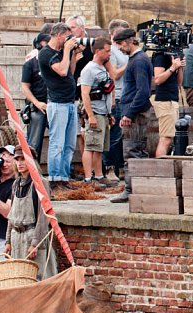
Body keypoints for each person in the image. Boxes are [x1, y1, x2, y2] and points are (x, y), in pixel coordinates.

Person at [39, 22, 85, 192]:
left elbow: (71, 72)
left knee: (69, 144)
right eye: (66, 37)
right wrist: (66, 50)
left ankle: (64, 177)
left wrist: (73, 53)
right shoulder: (46, 54)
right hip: (57, 104)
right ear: (58, 35)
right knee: (57, 143)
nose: (68, 40)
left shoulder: (62, 53)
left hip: (70, 102)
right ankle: (54, 179)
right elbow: (62, 71)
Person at [110, 29, 154, 204]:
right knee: (136, 152)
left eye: (120, 44)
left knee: (132, 152)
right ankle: (137, 189)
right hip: (135, 112)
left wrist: (129, 113)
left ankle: (131, 190)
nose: (119, 48)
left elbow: (143, 91)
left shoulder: (139, 61)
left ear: (129, 41)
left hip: (135, 114)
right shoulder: (138, 60)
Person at [4, 150, 55, 280]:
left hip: (31, 235)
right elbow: (12, 214)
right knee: (19, 278)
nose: (20, 163)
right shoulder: (16, 184)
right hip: (17, 238)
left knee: (37, 278)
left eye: (23, 159)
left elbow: (43, 216)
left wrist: (35, 243)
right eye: (17, 159)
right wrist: (8, 240)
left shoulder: (40, 182)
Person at [78, 37, 114, 185]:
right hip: (95, 113)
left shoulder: (102, 68)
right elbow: (84, 93)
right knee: (90, 146)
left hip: (103, 113)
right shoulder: (89, 69)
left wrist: (109, 114)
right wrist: (91, 116)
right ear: (98, 51)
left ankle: (99, 176)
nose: (109, 54)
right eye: (107, 51)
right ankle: (88, 177)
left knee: (99, 147)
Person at [103, 19, 131, 180]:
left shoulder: (124, 51)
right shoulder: (111, 52)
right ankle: (110, 168)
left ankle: (120, 167)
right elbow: (113, 74)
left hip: (126, 95)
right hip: (116, 95)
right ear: (113, 33)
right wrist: (130, 64)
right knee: (114, 134)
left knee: (123, 135)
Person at [21, 27, 52, 160]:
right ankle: (32, 174)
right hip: (37, 108)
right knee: (34, 144)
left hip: (53, 105)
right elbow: (25, 86)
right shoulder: (30, 64)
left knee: (58, 142)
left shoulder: (54, 61)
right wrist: (36, 103)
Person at [150, 43, 185, 158]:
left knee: (168, 138)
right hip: (165, 100)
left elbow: (179, 83)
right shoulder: (161, 56)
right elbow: (158, 79)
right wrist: (173, 68)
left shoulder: (174, 56)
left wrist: (179, 68)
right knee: (166, 138)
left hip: (172, 99)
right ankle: (160, 168)